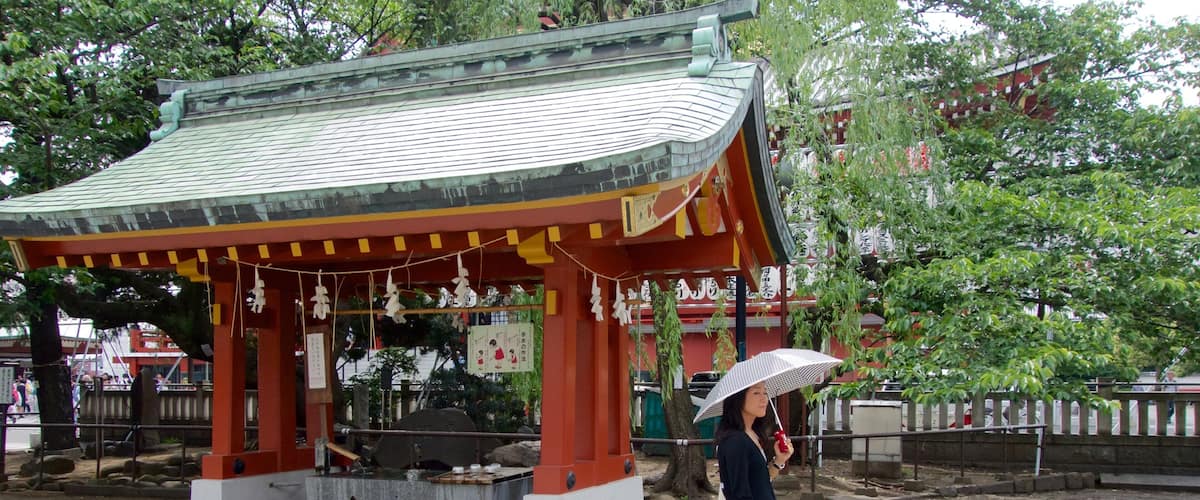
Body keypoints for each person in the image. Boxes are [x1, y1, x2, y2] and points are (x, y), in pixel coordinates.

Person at [715, 382, 793, 500]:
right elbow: (740, 493)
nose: (764, 399)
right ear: (738, 398)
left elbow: (760, 481)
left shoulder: (752, 434)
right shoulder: (735, 441)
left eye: (765, 393)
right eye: (756, 393)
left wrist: (779, 460)